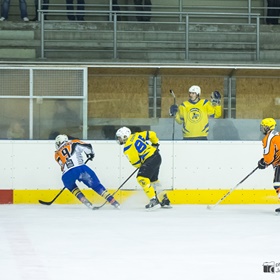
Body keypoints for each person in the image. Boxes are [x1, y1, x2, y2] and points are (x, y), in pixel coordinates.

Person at [54, 134, 120, 210]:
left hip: (66, 175)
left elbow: (62, 167)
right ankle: (113, 201)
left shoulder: (56, 154)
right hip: (80, 169)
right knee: (95, 185)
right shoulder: (74, 142)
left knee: (72, 187)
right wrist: (90, 154)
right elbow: (88, 147)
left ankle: (85, 201)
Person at [115, 127, 171, 210]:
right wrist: (155, 144)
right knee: (153, 180)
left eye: (119, 137)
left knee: (141, 178)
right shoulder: (136, 135)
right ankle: (165, 200)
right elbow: (152, 134)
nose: (118, 139)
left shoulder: (127, 147)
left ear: (125, 136)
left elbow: (136, 163)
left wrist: (142, 166)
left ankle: (153, 201)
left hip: (150, 160)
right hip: (157, 156)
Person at [258, 118, 280, 213]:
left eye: (264, 127)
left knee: (277, 184)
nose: (262, 129)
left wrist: (264, 162)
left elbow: (269, 157)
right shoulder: (277, 134)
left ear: (268, 128)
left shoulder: (268, 138)